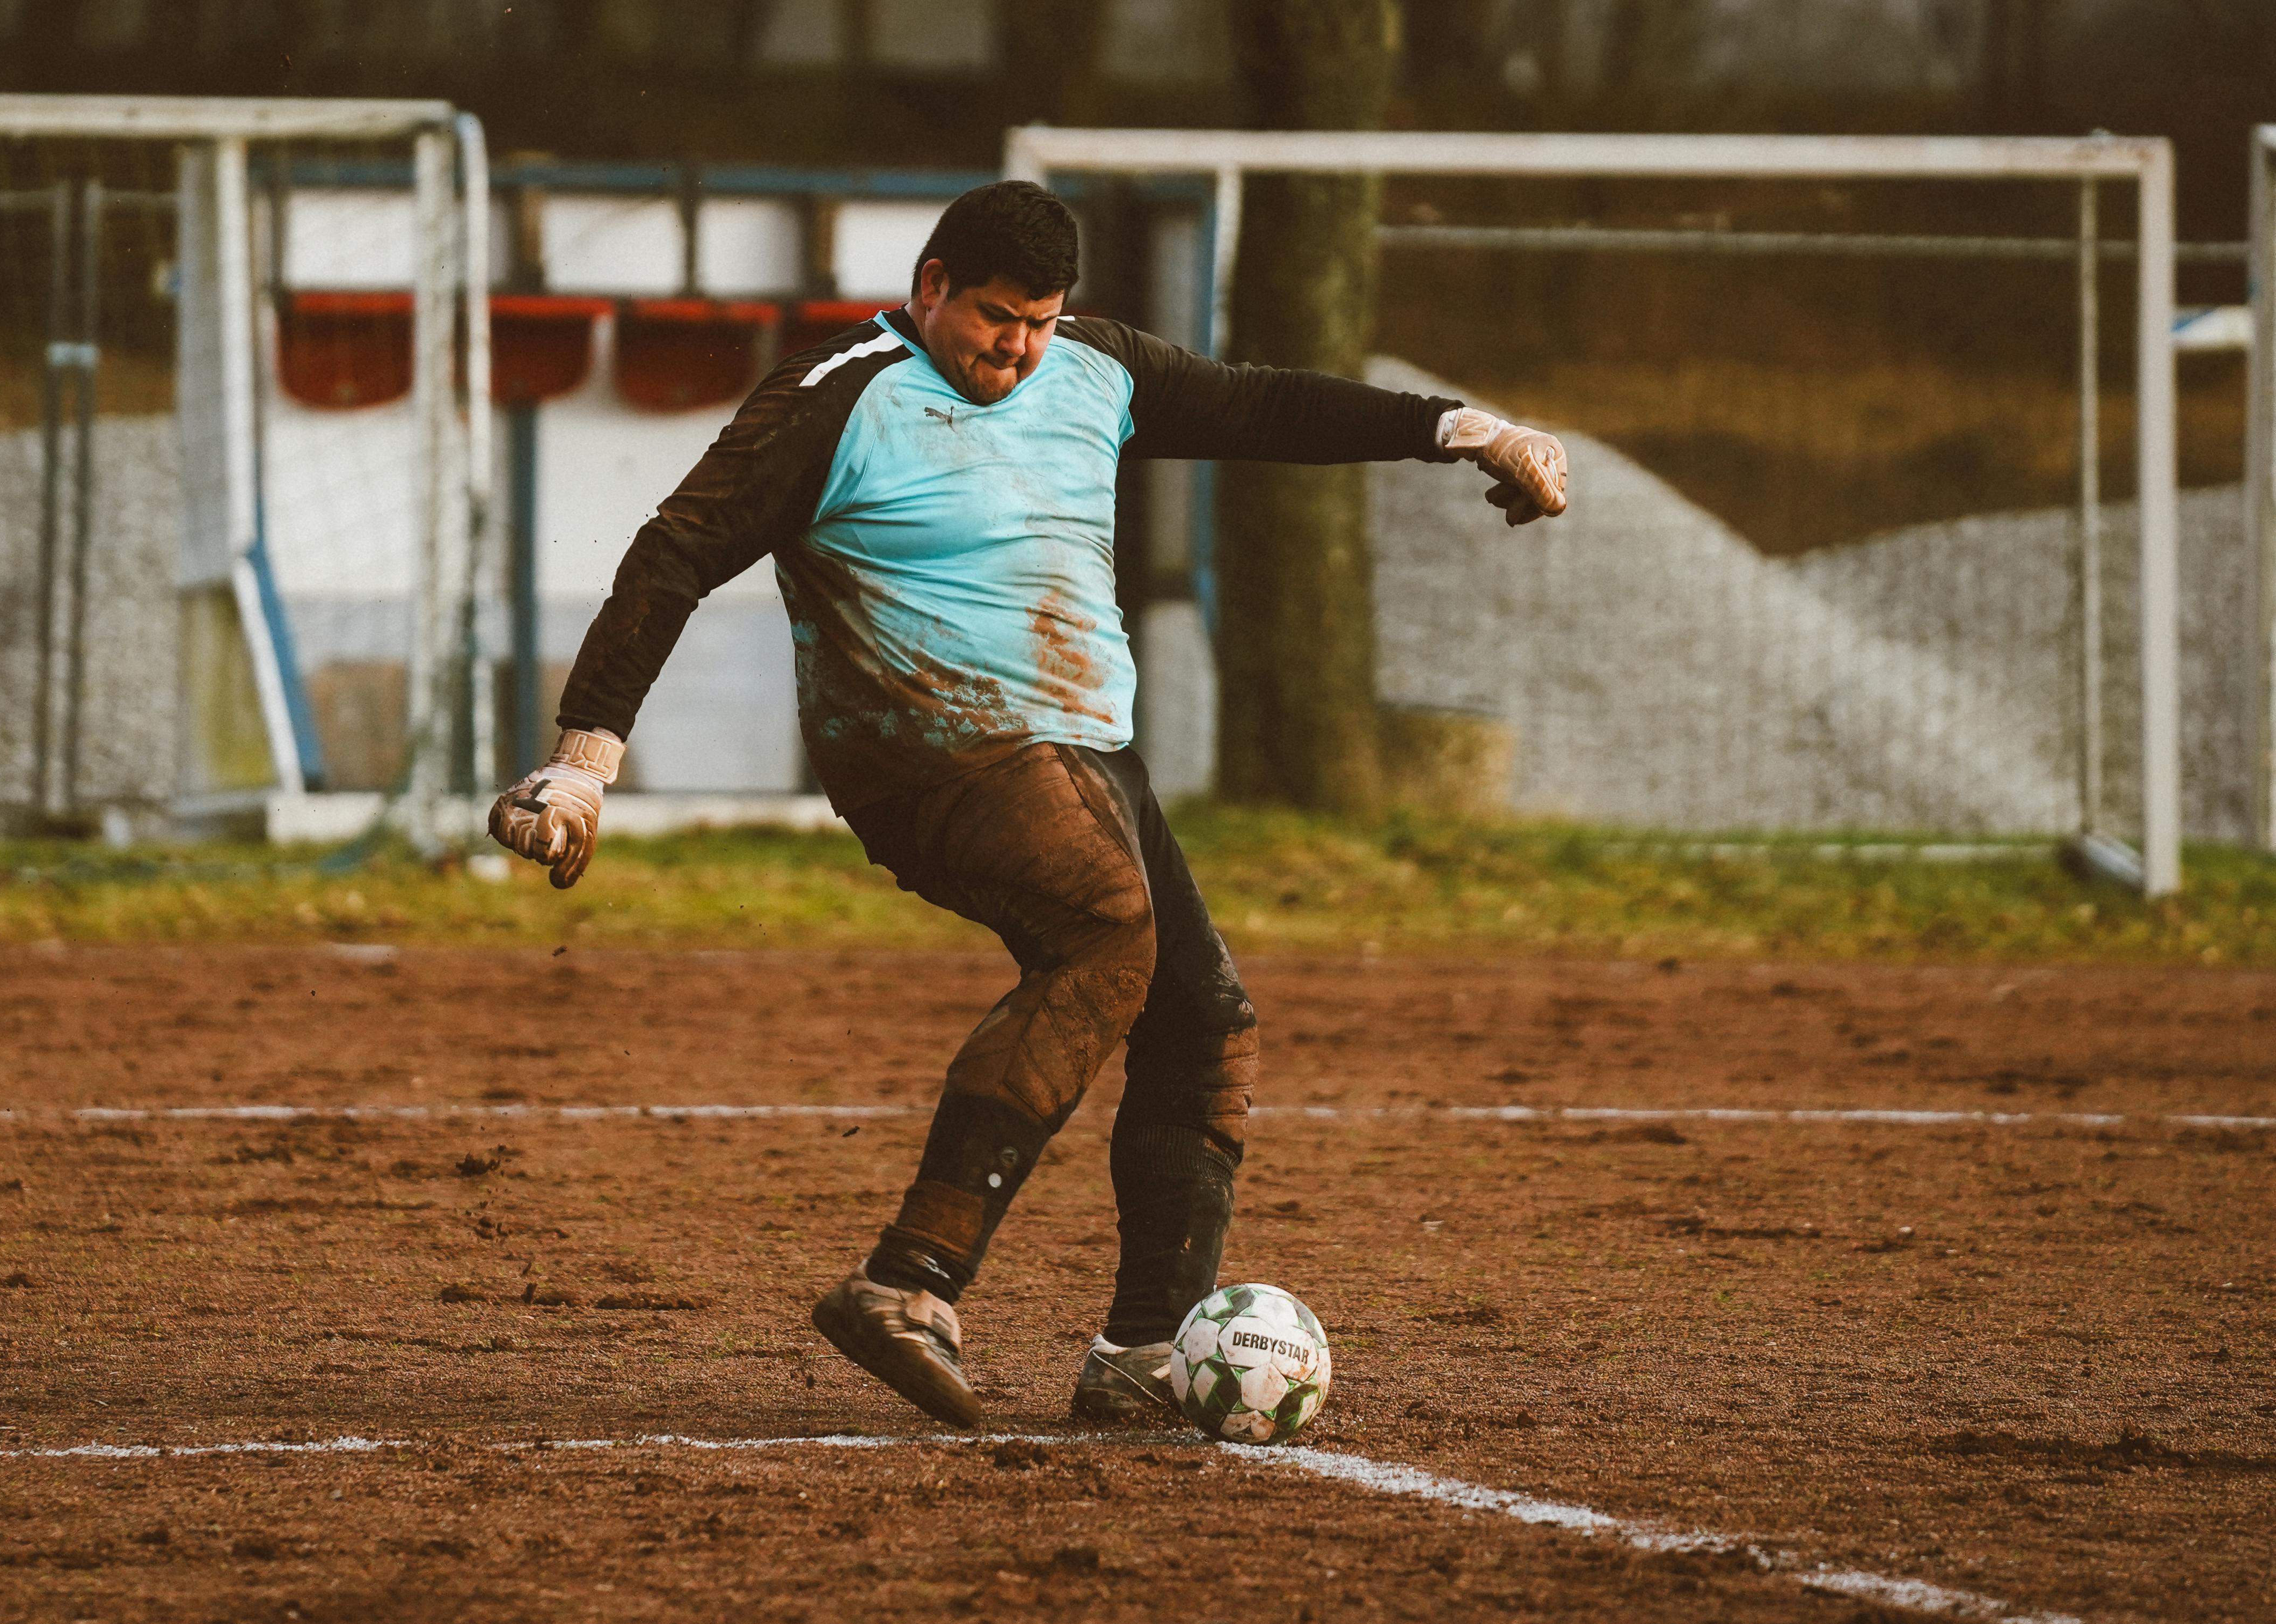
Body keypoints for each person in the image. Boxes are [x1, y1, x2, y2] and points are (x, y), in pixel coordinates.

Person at [489, 180, 1566, 1429]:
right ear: (930, 285)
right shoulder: (836, 393)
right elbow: (676, 548)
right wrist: (583, 759)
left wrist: (1465, 430)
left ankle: (1140, 1355)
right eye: (997, 317)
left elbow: (1263, 403)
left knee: (1203, 1026)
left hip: (1085, 759)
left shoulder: (1095, 369)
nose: (1019, 347)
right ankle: (910, 1282)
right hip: (925, 751)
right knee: (1109, 927)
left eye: (1042, 322)